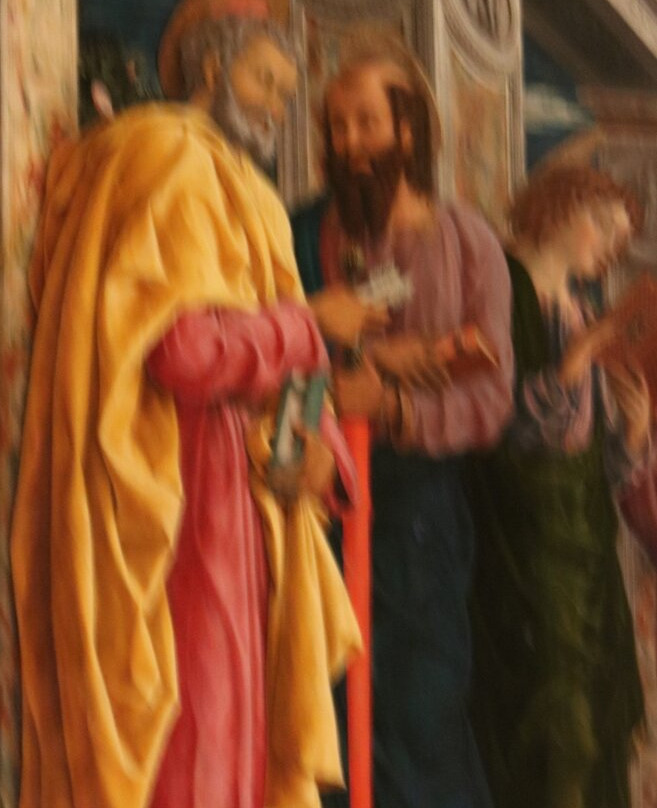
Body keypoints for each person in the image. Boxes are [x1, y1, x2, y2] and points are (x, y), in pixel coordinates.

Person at [10, 3, 365, 807]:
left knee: (233, 736)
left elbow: (290, 360)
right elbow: (181, 351)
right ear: (210, 66)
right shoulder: (170, 158)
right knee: (200, 734)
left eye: (284, 92)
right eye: (263, 81)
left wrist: (320, 452)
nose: (276, 106)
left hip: (240, 502)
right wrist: (306, 325)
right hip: (184, 497)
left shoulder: (246, 189)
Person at [290, 29, 514, 808]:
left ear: (407, 130)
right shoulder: (300, 232)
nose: (350, 143)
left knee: (420, 716)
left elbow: (490, 398)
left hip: (420, 523)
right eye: (336, 126)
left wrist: (389, 405)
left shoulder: (467, 245)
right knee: (325, 725)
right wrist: (332, 381)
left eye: (366, 123)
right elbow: (271, 357)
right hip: (317, 513)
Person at [466, 165, 649, 808]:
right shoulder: (505, 290)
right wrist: (576, 362)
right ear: (564, 211)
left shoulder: (581, 310)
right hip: (526, 551)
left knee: (595, 724)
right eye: (603, 228)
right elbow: (495, 421)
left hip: (584, 555)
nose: (611, 249)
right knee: (554, 730)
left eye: (621, 241)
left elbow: (596, 463)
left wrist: (634, 431)